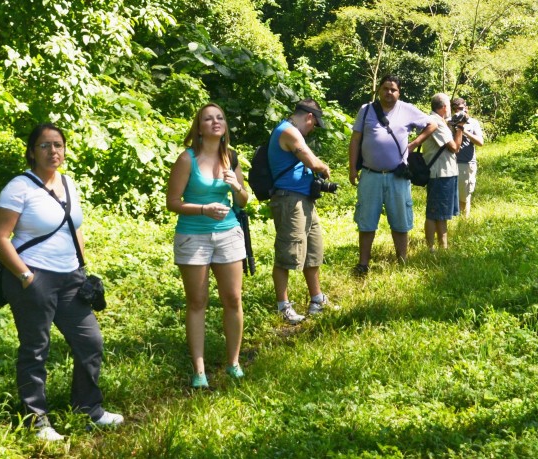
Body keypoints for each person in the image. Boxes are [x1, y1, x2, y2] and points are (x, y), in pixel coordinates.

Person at [0, 123, 124, 442]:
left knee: (90, 342)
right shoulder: (19, 187)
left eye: (58, 145)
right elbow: (0, 236)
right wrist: (25, 276)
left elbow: (72, 226)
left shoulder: (68, 183)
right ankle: (36, 421)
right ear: (32, 151)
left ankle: (88, 408)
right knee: (36, 349)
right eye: (45, 145)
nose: (53, 151)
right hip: (33, 277)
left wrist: (82, 266)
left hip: (72, 278)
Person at [166, 103, 251, 389]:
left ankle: (234, 363)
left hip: (228, 234)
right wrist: (203, 209)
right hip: (193, 237)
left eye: (220, 117)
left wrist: (236, 186)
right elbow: (173, 203)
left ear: (225, 125)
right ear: (199, 128)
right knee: (197, 302)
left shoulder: (231, 158)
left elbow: (243, 201)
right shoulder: (187, 159)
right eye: (208, 118)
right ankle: (199, 370)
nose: (215, 122)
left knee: (233, 299)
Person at [348, 74, 437, 275]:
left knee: (400, 220)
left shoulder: (407, 109)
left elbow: (433, 124)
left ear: (399, 92)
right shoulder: (366, 110)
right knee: (366, 221)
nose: (389, 92)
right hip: (370, 175)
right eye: (385, 88)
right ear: (379, 90)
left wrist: (415, 143)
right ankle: (363, 264)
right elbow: (355, 140)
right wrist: (352, 168)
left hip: (398, 176)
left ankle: (402, 261)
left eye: (393, 89)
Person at [267, 99, 339, 324]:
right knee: (287, 254)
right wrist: (324, 167)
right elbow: (312, 162)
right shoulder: (288, 131)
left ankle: (317, 299)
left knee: (313, 251)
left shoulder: (292, 131)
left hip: (304, 200)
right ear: (309, 117)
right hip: (289, 201)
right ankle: (283, 306)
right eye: (314, 124)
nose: (313, 129)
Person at [422, 93, 465, 250]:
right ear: (444, 107)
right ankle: (431, 248)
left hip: (444, 172)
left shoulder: (437, 121)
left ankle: (443, 247)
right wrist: (460, 127)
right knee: (434, 212)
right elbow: (454, 147)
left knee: (441, 213)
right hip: (440, 173)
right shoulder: (436, 122)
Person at [450, 97, 485, 218]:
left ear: (466, 108)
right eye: (454, 109)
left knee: (465, 196)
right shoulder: (449, 122)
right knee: (453, 195)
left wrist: (463, 130)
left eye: (460, 109)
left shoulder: (473, 123)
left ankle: (464, 222)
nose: (458, 112)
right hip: (450, 163)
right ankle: (456, 220)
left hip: (466, 163)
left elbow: (480, 142)